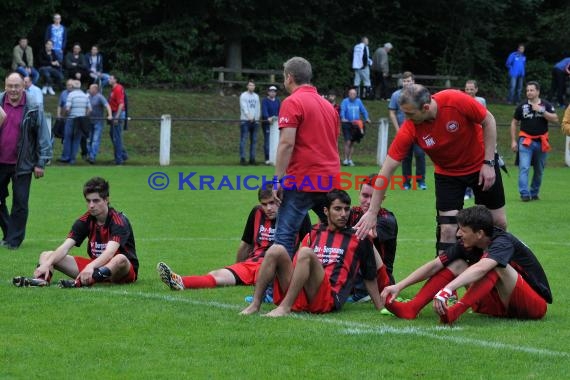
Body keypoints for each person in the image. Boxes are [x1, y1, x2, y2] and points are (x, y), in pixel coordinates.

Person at [354, 84, 507, 258]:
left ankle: (492, 270)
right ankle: (445, 281)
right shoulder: (410, 128)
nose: (406, 118)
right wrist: (372, 213)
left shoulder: (455, 100)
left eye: (410, 113)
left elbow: (488, 120)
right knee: (447, 230)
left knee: (498, 223)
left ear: (426, 108)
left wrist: (488, 162)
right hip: (448, 175)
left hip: (481, 165)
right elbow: (386, 170)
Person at [380, 205, 552, 325]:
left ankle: (455, 311)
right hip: (498, 306)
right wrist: (399, 286)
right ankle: (412, 308)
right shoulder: (468, 244)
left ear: (479, 233)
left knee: (496, 265)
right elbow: (434, 265)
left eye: (463, 229)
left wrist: (447, 290)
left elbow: (482, 268)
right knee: (458, 263)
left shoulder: (502, 242)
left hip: (533, 307)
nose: (457, 233)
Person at [240, 189, 385, 317]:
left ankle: (285, 307)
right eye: (337, 209)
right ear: (326, 211)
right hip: (302, 293)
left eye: (346, 209)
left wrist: (380, 306)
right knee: (275, 249)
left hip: (328, 298)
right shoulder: (314, 231)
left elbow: (369, 276)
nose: (343, 214)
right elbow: (297, 263)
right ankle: (255, 304)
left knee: (306, 253)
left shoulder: (359, 237)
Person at [156, 184, 311, 291]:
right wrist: (237, 268)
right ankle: (180, 281)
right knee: (218, 274)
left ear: (280, 199)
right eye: (264, 204)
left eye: (272, 203)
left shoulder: (298, 216)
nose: (268, 208)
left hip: (277, 268)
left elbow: (308, 249)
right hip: (252, 264)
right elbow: (245, 245)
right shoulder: (256, 213)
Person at [270, 56, 340, 258]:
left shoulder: (292, 102)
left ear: (289, 77)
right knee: (338, 234)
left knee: (284, 238)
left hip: (302, 180)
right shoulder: (328, 106)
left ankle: (274, 291)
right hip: (330, 180)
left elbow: (286, 143)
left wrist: (277, 179)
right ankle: (345, 285)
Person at [12, 177, 139, 288]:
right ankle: (41, 280)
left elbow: (109, 253)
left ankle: (81, 282)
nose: (91, 205)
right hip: (95, 268)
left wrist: (90, 267)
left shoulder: (118, 221)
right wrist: (47, 264)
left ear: (106, 200)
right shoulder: (84, 220)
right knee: (46, 255)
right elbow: (65, 247)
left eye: (96, 201)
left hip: (121, 271)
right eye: (88, 201)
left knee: (120, 258)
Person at [0, 73, 52, 249]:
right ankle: (9, 233)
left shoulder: (33, 106)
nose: (13, 89)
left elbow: (43, 136)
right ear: (5, 86)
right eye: (10, 86)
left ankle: (13, 241)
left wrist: (41, 162)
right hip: (0, 162)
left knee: (20, 203)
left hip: (22, 164)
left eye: (17, 86)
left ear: (24, 86)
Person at [347, 174, 398, 302]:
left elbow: (365, 235)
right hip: (354, 275)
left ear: (382, 199)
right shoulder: (352, 213)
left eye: (374, 197)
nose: (369, 201)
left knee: (361, 240)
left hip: (380, 279)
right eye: (365, 196)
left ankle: (363, 293)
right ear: (359, 194)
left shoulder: (387, 219)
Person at [510, 81, 558, 202]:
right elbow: (514, 122)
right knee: (524, 167)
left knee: (539, 170)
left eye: (531, 90)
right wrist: (513, 141)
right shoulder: (522, 106)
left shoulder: (546, 104)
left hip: (542, 142)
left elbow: (556, 119)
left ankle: (534, 192)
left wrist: (542, 111)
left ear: (538, 91)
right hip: (525, 141)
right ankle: (524, 194)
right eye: (527, 90)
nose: (529, 92)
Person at [388, 71, 426, 190]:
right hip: (403, 132)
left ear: (413, 82)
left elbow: (425, 110)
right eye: (404, 81)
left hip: (418, 130)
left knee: (420, 154)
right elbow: (392, 112)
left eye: (409, 81)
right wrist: (397, 129)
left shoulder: (419, 94)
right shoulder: (396, 95)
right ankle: (406, 183)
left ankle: (421, 181)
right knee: (405, 157)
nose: (407, 83)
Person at [463, 79, 487, 200]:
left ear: (476, 90)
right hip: (464, 137)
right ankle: (466, 191)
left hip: (478, 136)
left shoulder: (481, 101)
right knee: (464, 164)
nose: (469, 91)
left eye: (471, 89)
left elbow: (485, 119)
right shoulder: (461, 100)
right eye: (467, 89)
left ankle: (476, 190)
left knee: (477, 163)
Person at [60, 80, 91, 164]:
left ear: (73, 87)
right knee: (76, 140)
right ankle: (73, 159)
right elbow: (89, 109)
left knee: (68, 138)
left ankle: (66, 157)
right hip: (81, 120)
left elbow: (67, 108)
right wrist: (84, 116)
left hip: (71, 119)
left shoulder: (71, 95)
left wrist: (66, 115)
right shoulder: (85, 96)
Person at [340, 87, 371, 166]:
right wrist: (343, 118)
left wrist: (366, 118)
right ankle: (346, 159)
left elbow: (363, 110)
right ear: (348, 94)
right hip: (347, 123)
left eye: (354, 94)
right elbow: (342, 110)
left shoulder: (359, 101)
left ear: (356, 95)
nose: (353, 95)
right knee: (348, 141)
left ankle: (350, 159)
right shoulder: (345, 101)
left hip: (356, 124)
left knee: (352, 142)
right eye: (351, 94)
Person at [87, 83, 113, 164]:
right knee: (88, 140)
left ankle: (92, 157)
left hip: (98, 122)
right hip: (89, 121)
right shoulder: (88, 96)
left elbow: (107, 106)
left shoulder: (100, 97)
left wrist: (110, 115)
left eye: (90, 88)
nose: (89, 89)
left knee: (95, 140)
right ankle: (88, 155)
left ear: (95, 90)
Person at [108, 74, 128, 165]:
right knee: (113, 134)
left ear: (115, 80)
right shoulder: (113, 89)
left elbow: (121, 104)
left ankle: (119, 159)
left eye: (110, 78)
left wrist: (117, 116)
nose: (109, 79)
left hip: (117, 113)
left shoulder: (118, 89)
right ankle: (122, 155)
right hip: (114, 113)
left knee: (117, 137)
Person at [239, 80, 261, 165]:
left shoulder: (256, 96)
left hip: (255, 122)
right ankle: (243, 158)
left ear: (254, 87)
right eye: (250, 85)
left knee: (254, 140)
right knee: (243, 140)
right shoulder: (243, 95)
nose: (251, 87)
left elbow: (258, 108)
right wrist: (249, 117)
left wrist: (257, 119)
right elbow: (244, 107)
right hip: (245, 121)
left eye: (253, 85)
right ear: (247, 86)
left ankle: (252, 159)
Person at [261, 85, 280, 165]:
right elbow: (264, 110)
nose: (272, 93)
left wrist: (278, 117)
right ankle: (267, 158)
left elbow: (280, 110)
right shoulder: (265, 101)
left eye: (274, 91)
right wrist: (268, 117)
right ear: (268, 92)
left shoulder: (278, 101)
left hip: (275, 124)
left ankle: (275, 157)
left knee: (276, 141)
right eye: (271, 91)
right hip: (267, 123)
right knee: (267, 140)